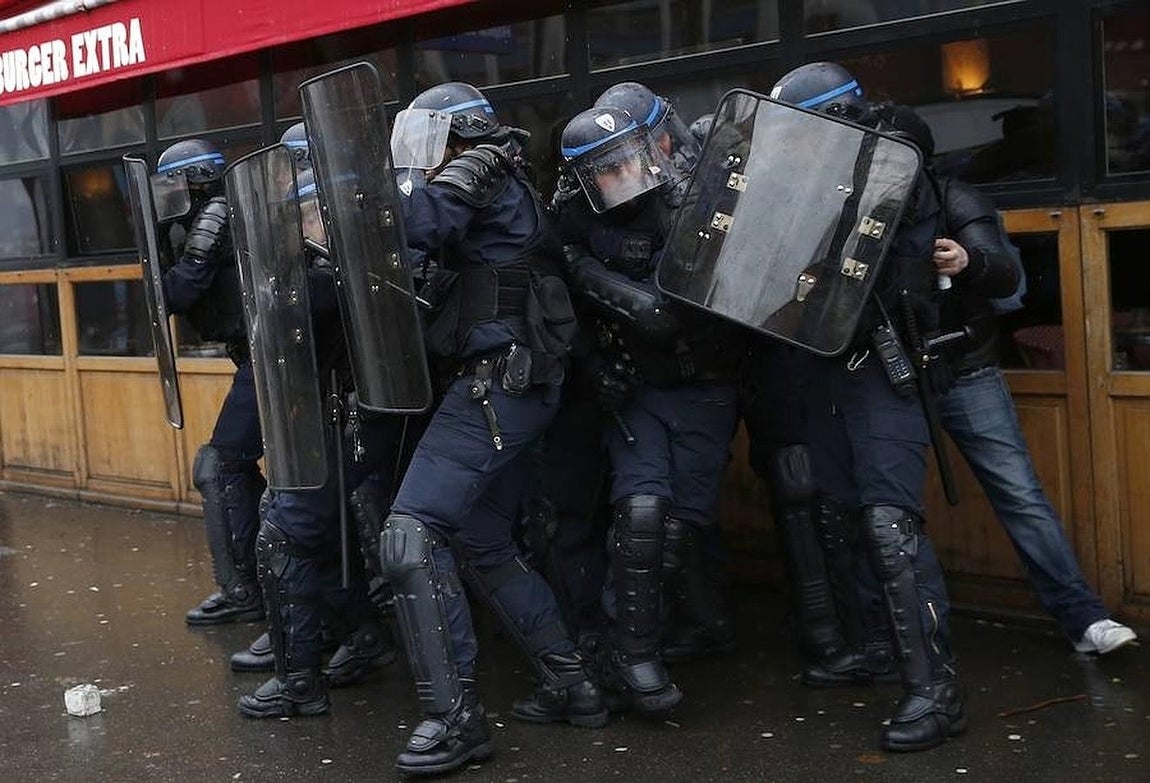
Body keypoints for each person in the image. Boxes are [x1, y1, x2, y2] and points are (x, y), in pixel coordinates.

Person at [381, 81, 606, 776]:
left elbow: (418, 222)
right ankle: (573, 682)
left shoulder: (476, 165)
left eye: (427, 138)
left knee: (410, 533)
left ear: (456, 134)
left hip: (498, 387)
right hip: (515, 386)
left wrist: (364, 198)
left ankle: (456, 720)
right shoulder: (499, 177)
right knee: (479, 534)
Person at [883, 105, 1138, 656]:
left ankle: (1083, 618)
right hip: (893, 378)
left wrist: (967, 259)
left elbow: (1005, 272)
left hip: (966, 369)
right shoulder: (861, 208)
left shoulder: (955, 198)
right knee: (886, 507)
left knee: (1019, 494)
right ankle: (903, 641)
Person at [770, 62, 965, 752]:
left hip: (885, 368)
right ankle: (878, 647)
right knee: (839, 513)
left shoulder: (896, 170)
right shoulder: (807, 183)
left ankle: (936, 692)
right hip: (822, 371)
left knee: (888, 524)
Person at [555, 104, 743, 712]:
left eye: (628, 160)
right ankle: (632, 656)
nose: (624, 176)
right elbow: (560, 310)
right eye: (606, 171)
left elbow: (699, 303)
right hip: (638, 388)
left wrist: (597, 281)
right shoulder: (574, 218)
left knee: (675, 530)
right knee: (639, 512)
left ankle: (644, 644)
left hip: (706, 386)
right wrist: (594, 364)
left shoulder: (691, 202)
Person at [235, 166, 399, 718]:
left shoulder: (335, 278)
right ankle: (362, 634)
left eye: (307, 217)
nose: (301, 229)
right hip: (334, 427)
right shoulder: (342, 268)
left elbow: (289, 317)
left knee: (285, 535)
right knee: (315, 535)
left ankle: (299, 682)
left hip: (345, 428)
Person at [156, 139, 265, 627]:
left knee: (219, 467)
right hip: (258, 355)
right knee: (235, 467)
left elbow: (179, 291)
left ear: (192, 179)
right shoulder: (223, 208)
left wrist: (158, 245)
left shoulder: (215, 214)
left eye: (173, 183)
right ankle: (265, 578)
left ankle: (245, 590)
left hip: (266, 358)